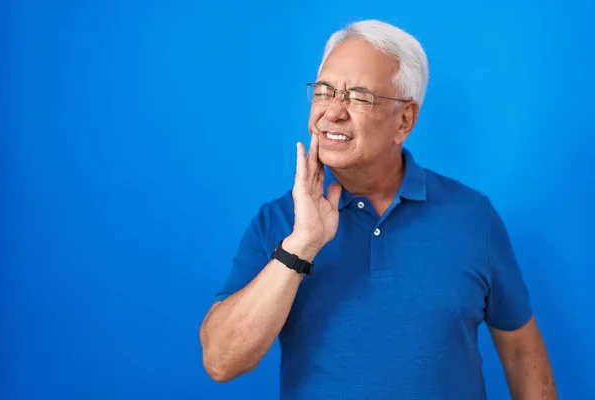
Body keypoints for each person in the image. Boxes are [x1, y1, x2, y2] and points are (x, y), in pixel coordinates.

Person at [199, 19, 556, 399]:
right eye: (324, 91)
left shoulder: (472, 216)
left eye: (359, 97)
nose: (332, 112)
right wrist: (302, 244)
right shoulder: (277, 222)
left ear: (404, 120)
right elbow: (221, 362)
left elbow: (521, 351)